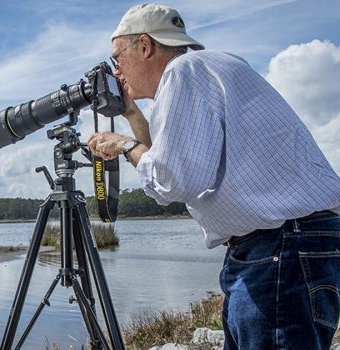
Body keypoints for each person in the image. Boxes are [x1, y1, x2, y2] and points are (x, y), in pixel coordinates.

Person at [88, 3, 340, 350]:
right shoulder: (214, 65)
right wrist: (131, 114)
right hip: (285, 243)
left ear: (144, 46)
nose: (117, 72)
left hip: (279, 247)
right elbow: (170, 160)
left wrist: (124, 144)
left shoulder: (183, 71)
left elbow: (173, 181)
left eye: (118, 58)